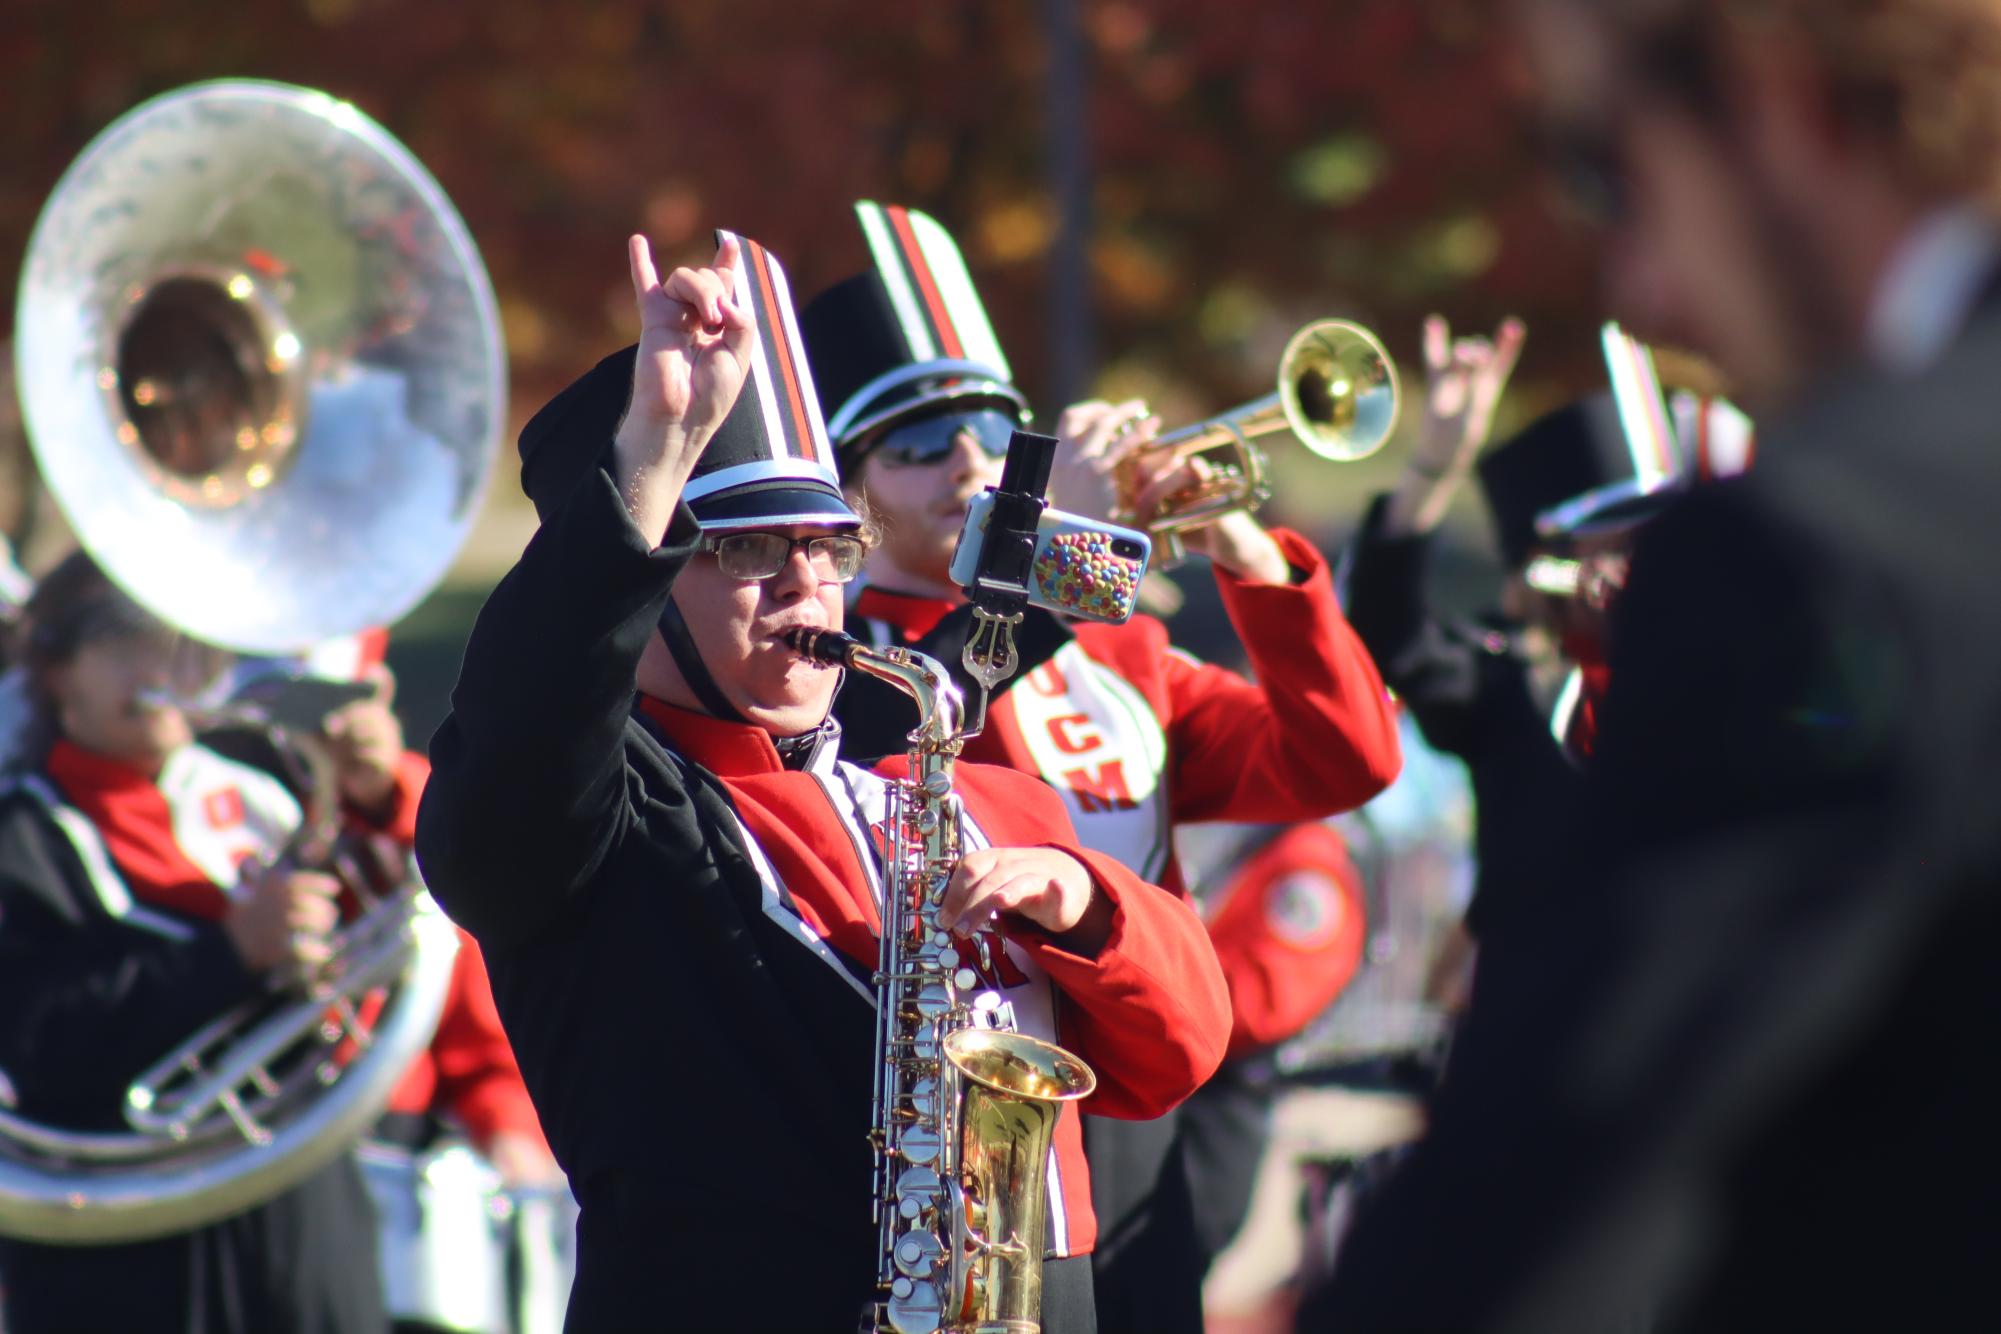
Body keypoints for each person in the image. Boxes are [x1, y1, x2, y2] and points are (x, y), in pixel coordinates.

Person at [1309, 1, 2001, 1328]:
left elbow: (1538, 1213)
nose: (1643, 284)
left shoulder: (1835, 542)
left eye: (1606, 166)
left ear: (1776, 92)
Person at [413, 230, 1233, 1333]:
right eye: (751, 551)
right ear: (638, 592)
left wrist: (1089, 904)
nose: (807, 581)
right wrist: (656, 451)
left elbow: (1182, 1047)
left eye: (831, 546)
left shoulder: (978, 796)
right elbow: (524, 734)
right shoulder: (604, 820)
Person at [799, 202, 1401, 1334]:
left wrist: (1244, 549)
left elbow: (1344, 754)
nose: (969, 458)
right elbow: (909, 726)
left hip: (1139, 1097)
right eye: (918, 442)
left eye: (987, 420)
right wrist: (1066, 542)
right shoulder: (843, 655)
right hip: (958, 1129)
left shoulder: (1117, 644)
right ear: (852, 489)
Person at [0, 552, 397, 1334]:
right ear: (55, 671)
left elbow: (419, 934)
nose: (163, 665)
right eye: (124, 639)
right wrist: (230, 953)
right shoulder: (20, 835)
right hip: (126, 1252)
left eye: (182, 633)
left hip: (303, 1209)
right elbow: (39, 1042)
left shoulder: (264, 785)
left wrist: (378, 799)